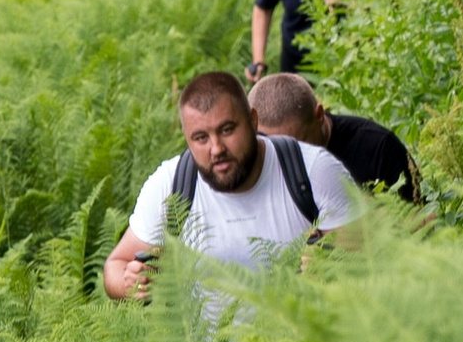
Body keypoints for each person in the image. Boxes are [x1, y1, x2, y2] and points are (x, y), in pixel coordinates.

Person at [103, 69, 358, 301]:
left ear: (253, 121)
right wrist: (131, 282)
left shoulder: (313, 171)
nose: (216, 149)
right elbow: (115, 265)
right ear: (187, 139)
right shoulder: (171, 185)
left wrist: (331, 267)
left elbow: (370, 261)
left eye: (227, 130)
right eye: (201, 137)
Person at [250, 69, 424, 205]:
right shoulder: (250, 160)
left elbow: (420, 225)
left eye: (297, 146)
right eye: (274, 147)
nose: (287, 158)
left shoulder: (378, 147)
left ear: (319, 115)